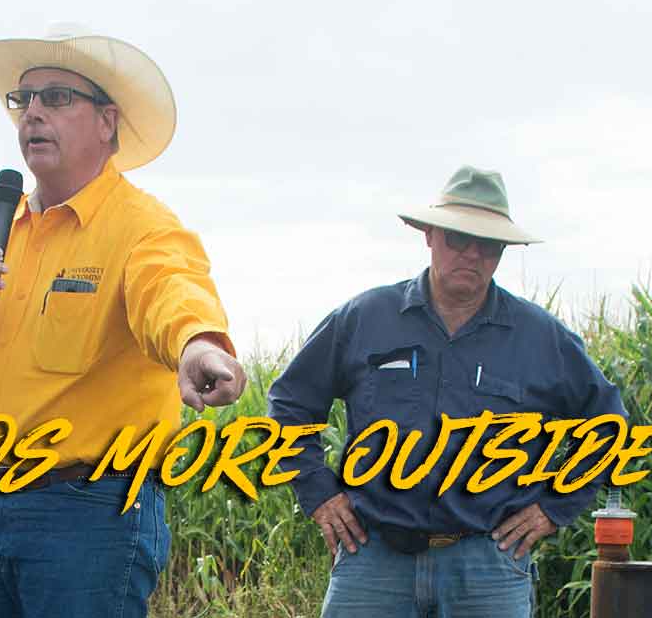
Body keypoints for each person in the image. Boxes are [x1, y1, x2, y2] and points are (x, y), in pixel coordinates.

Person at [0, 23, 247, 617]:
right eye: (23, 100)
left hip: (91, 511)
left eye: (55, 98)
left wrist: (197, 345)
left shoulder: (141, 227)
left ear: (107, 123)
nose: (31, 113)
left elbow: (171, 290)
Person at [266, 167, 629, 617]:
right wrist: (319, 492)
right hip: (373, 559)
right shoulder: (365, 318)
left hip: (489, 566)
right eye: (458, 238)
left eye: (488, 245)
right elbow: (290, 404)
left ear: (501, 254)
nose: (472, 254)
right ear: (430, 236)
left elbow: (609, 426)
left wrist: (554, 508)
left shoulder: (540, 338)